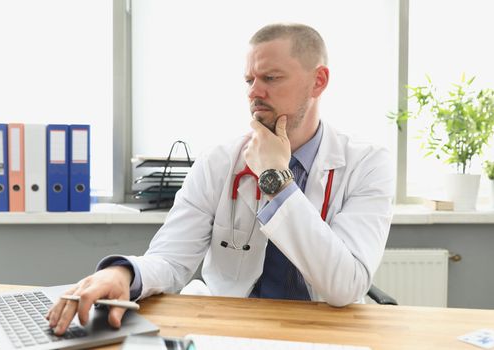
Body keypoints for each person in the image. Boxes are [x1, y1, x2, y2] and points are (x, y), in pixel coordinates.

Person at [47, 23, 394, 335]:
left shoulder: (367, 163)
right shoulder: (219, 161)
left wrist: (276, 179)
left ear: (318, 81)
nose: (254, 93)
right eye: (249, 80)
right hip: (230, 329)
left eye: (271, 78)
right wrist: (122, 273)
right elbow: (171, 259)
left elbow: (345, 286)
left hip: (325, 331)